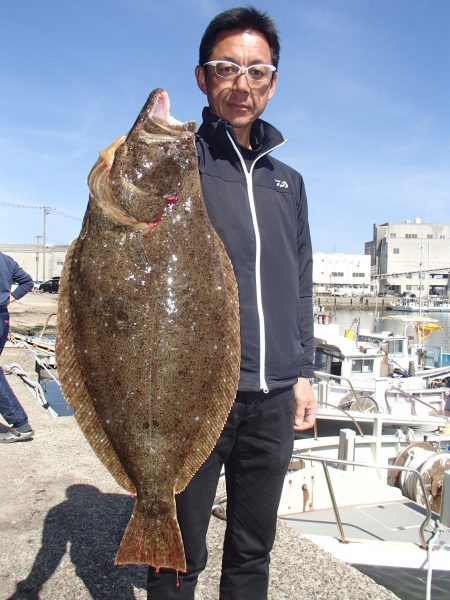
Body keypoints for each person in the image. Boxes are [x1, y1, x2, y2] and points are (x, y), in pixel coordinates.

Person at [147, 7, 317, 599]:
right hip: (197, 394)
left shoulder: (288, 181)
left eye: (258, 71)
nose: (242, 85)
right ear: (202, 78)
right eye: (226, 68)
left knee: (252, 550)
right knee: (176, 552)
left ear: (273, 82)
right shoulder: (177, 160)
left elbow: (300, 278)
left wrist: (303, 374)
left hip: (273, 398)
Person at [0, 251, 34, 442]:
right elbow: (27, 282)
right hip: (3, 320)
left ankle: (21, 424)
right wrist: (8, 299)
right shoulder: (6, 260)